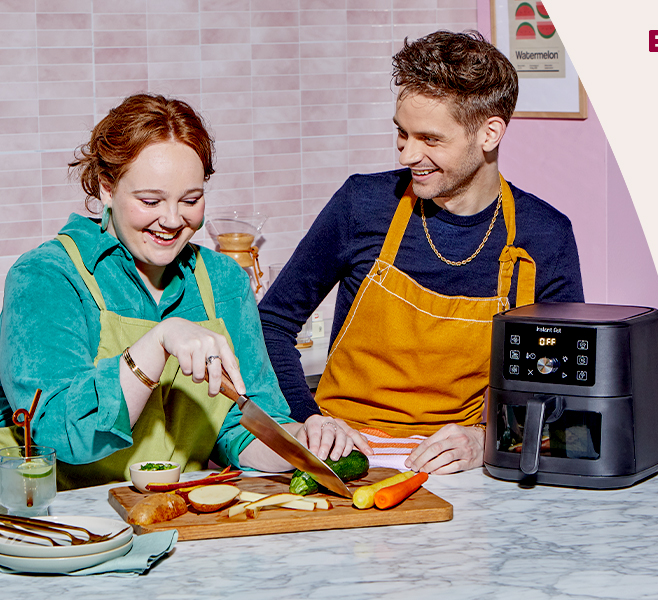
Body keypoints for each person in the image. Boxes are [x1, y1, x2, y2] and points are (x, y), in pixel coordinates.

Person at [259, 31, 584, 475]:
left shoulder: (546, 235)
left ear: (489, 133)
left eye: (430, 139)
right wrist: (309, 419)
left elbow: (563, 382)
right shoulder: (362, 205)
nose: (409, 154)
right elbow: (272, 322)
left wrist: (489, 437)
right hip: (341, 459)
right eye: (401, 133)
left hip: (464, 467)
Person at [0, 93, 361, 490]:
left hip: (178, 514)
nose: (172, 220)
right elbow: (57, 434)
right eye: (150, 200)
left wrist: (302, 440)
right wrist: (159, 342)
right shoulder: (47, 277)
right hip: (63, 527)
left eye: (191, 199)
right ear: (106, 187)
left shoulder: (223, 280)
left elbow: (240, 428)